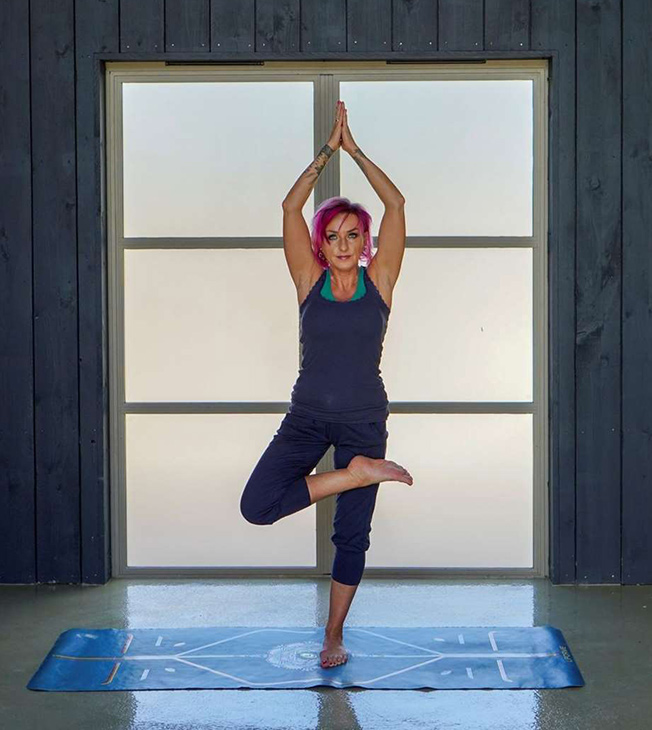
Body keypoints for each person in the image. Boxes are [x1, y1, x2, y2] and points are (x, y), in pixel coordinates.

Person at [240, 100, 413, 669]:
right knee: (257, 504)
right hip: (307, 417)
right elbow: (290, 206)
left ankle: (333, 636)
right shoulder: (307, 280)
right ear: (321, 242)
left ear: (364, 241)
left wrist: (356, 150)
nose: (342, 242)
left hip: (364, 419)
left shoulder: (379, 280)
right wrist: (325, 153)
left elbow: (396, 202)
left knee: (352, 536)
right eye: (333, 234)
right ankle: (352, 475)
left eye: (352, 234)